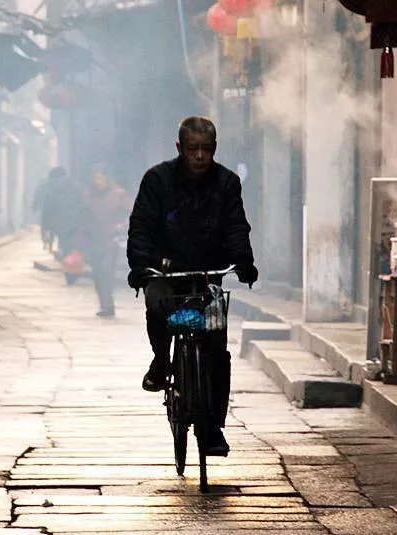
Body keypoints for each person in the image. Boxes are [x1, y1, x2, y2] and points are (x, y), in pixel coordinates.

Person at [126, 116, 258, 456]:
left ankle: (212, 427)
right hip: (165, 273)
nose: (200, 156)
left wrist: (243, 261)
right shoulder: (157, 180)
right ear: (180, 149)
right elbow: (140, 225)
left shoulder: (227, 182)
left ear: (214, 149)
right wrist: (140, 266)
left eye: (206, 149)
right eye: (193, 149)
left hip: (208, 275)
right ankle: (161, 360)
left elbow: (236, 225)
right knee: (157, 309)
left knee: (216, 347)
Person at [81, 164, 131, 317]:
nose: (98, 181)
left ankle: (108, 305)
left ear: (107, 178)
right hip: (93, 240)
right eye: (95, 178)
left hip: (111, 240)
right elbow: (83, 216)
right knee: (97, 274)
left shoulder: (118, 194)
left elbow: (128, 214)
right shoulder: (88, 195)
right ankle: (104, 303)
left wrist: (120, 227)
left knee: (106, 271)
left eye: (101, 177)